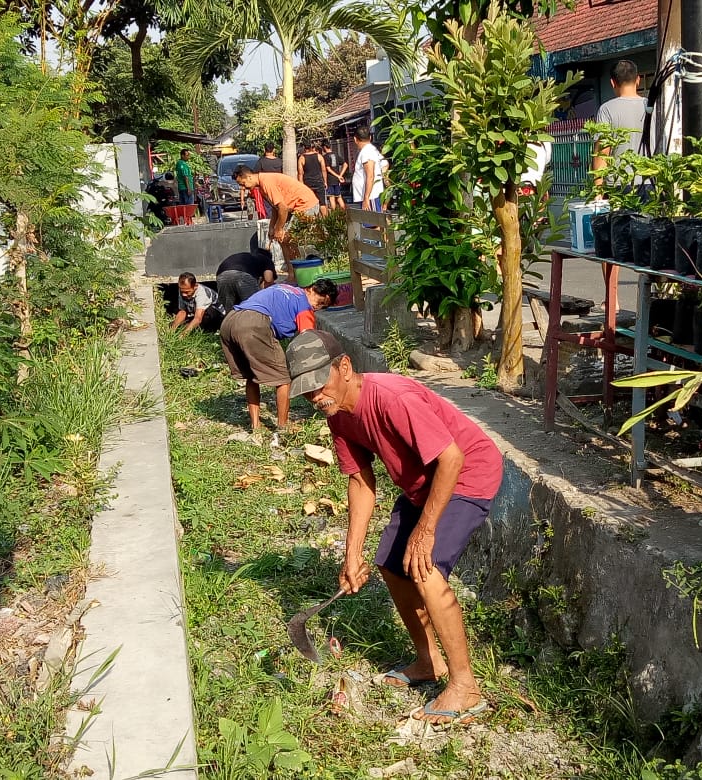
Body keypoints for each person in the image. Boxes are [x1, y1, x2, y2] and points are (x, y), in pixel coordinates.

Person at [285, 330, 502, 726]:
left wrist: (425, 530)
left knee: (426, 568)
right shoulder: (339, 415)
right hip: (423, 484)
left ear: (344, 367)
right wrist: (352, 555)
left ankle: (466, 686)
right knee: (390, 564)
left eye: (319, 385)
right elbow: (361, 481)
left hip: (467, 473)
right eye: (305, 393)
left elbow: (451, 459)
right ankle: (428, 661)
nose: (315, 398)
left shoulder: (392, 398)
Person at [219, 280, 337, 432]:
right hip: (253, 324)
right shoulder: (304, 305)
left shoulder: (286, 287)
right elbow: (308, 340)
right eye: (320, 302)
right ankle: (283, 426)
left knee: (252, 376)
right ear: (311, 289)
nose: (317, 308)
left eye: (322, 307)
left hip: (230, 321)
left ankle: (256, 426)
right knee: (283, 380)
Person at [231, 165, 320, 277]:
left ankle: (299, 274)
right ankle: (292, 274)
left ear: (249, 177)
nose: (243, 187)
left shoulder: (267, 182)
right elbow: (275, 208)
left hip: (306, 205)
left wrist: (279, 229)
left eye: (242, 184)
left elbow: (283, 208)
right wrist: (272, 227)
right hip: (296, 207)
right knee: (283, 240)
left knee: (288, 239)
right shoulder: (261, 187)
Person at [591, 60, 647, 176]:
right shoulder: (651, 106)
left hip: (618, 183)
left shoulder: (606, 109)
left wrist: (598, 188)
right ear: (638, 80)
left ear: (612, 83)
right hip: (649, 180)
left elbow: (602, 152)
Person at [215, 247, 277, 312]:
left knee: (228, 310)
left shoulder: (247, 257)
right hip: (243, 275)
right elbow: (268, 279)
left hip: (222, 275)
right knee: (253, 308)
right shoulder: (266, 259)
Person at [352, 126, 386, 212]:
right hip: (369, 195)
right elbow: (385, 163)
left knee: (374, 223)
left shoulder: (367, 152)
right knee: (373, 223)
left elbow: (370, 175)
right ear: (370, 137)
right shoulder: (371, 150)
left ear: (355, 139)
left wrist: (366, 197)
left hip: (371, 196)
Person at [298, 142, 329, 216]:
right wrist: (325, 182)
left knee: (308, 204)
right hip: (319, 182)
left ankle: (310, 222)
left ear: (304, 148)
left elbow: (300, 173)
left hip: (307, 184)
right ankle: (327, 223)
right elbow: (324, 170)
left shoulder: (302, 158)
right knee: (322, 204)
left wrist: (301, 185)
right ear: (312, 147)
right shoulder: (319, 156)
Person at [323, 140, 348, 211]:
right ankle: (344, 213)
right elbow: (345, 165)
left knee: (331, 197)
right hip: (337, 181)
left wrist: (338, 176)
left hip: (330, 180)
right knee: (339, 197)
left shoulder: (325, 157)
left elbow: (328, 169)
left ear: (324, 147)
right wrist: (340, 175)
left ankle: (334, 215)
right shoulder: (336, 155)